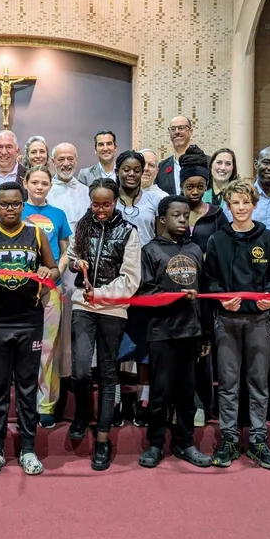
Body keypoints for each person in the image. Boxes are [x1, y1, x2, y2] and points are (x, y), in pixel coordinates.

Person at [0, 182, 59, 476]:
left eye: (16, 204)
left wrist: (47, 272)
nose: (10, 209)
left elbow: (54, 271)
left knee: (28, 388)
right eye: (5, 204)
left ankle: (28, 449)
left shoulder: (36, 233)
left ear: (23, 204)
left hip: (29, 321)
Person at [204, 178, 270, 470]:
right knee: (228, 382)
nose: (240, 207)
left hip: (260, 320)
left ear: (254, 204)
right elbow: (209, 280)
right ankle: (228, 438)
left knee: (258, 381)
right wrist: (220, 299)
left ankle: (258, 440)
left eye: (245, 202)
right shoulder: (217, 239)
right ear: (228, 206)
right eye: (235, 203)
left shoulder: (269, 238)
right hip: (227, 319)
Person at [65, 178, 141, 471]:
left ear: (116, 202)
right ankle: (83, 413)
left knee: (109, 372)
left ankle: (103, 439)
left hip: (113, 309)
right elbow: (72, 256)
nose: (100, 209)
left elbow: (131, 279)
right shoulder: (82, 226)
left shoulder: (129, 232)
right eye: (95, 204)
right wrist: (76, 264)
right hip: (83, 305)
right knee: (81, 367)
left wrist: (102, 294)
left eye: (106, 204)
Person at [136, 196, 213, 469]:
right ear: (162, 219)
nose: (182, 220)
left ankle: (185, 442)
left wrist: (205, 333)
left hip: (190, 332)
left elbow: (203, 295)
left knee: (186, 391)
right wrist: (174, 296)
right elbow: (144, 290)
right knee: (161, 390)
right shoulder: (150, 251)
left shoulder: (195, 249)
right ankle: (155, 443)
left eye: (185, 216)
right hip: (162, 331)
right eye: (176, 216)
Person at [178, 146, 229, 427]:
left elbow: (223, 248)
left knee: (204, 347)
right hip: (180, 289)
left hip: (207, 291)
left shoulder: (217, 214)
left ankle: (202, 403)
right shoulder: (174, 210)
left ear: (206, 186)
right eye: (189, 186)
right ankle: (182, 403)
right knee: (182, 348)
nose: (194, 191)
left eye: (199, 186)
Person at [115, 149, 162, 424]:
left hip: (146, 282)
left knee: (144, 345)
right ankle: (118, 400)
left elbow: (157, 238)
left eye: (137, 169)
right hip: (115, 280)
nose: (132, 174)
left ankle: (143, 399)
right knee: (117, 343)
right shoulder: (109, 199)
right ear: (118, 171)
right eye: (127, 169)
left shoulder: (154, 201)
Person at [22, 166, 71, 428]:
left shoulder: (58, 214)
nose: (40, 187)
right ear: (26, 183)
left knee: (48, 347)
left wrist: (56, 272)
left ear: (50, 186)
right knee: (23, 347)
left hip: (52, 287)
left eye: (44, 183)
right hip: (21, 289)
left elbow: (66, 250)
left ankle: (46, 405)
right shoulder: (18, 211)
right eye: (35, 183)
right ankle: (24, 400)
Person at [48, 142, 92, 382]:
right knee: (58, 322)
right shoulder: (47, 191)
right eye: (61, 159)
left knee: (79, 318)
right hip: (56, 265)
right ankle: (58, 372)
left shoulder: (86, 191)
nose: (66, 163)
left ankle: (79, 371)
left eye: (70, 159)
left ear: (77, 160)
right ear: (53, 162)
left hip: (82, 264)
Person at [156, 115, 194, 195]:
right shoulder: (161, 168)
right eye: (173, 129)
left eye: (181, 128)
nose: (177, 132)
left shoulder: (206, 163)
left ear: (190, 132)